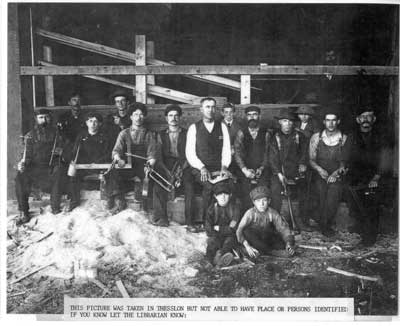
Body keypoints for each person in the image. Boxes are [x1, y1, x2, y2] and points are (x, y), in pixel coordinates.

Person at [186, 97, 232, 232]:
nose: (210, 110)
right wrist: (201, 167)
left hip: (218, 168)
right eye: (207, 107)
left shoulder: (222, 126)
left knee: (225, 185)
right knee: (209, 186)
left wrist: (224, 166)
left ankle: (220, 222)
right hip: (199, 168)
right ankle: (206, 223)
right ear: (201, 109)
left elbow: (227, 149)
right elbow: (190, 153)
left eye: (213, 107)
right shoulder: (194, 128)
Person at [347, 104, 389, 246]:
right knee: (353, 197)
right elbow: (346, 157)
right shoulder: (352, 137)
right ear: (358, 120)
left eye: (369, 116)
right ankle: (361, 227)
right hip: (356, 177)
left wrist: (377, 177)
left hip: (376, 176)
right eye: (363, 117)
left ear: (374, 119)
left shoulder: (381, 137)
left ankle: (370, 236)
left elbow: (385, 160)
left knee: (372, 201)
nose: (366, 119)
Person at [15, 109, 65, 225]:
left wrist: (61, 151)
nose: (44, 120)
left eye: (46, 117)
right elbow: (26, 156)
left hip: (51, 168)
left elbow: (67, 150)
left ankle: (55, 208)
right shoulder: (30, 136)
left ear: (50, 119)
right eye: (41, 117)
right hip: (35, 169)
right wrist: (22, 164)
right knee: (20, 177)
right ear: (36, 119)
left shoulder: (58, 134)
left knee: (59, 172)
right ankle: (23, 211)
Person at [309, 105, 352, 237]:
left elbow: (345, 163)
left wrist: (336, 174)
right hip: (320, 173)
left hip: (337, 174)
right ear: (324, 122)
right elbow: (311, 160)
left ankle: (325, 226)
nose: (331, 123)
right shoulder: (317, 137)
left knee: (333, 194)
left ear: (338, 121)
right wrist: (320, 170)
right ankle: (320, 221)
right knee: (320, 192)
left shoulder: (344, 138)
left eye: (334, 120)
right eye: (328, 120)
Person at [151, 104, 195, 227]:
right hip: (166, 165)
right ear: (166, 118)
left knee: (189, 186)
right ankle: (161, 218)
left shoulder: (188, 133)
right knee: (158, 185)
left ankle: (190, 221)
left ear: (180, 118)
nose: (173, 118)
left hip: (185, 164)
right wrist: (167, 172)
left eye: (176, 116)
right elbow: (158, 156)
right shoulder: (160, 134)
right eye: (170, 115)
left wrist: (182, 169)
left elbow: (191, 153)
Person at [111, 102, 157, 213]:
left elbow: (152, 155)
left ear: (144, 117)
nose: (138, 117)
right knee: (114, 173)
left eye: (141, 115)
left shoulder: (149, 134)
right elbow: (116, 151)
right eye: (136, 114)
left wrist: (149, 165)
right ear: (131, 117)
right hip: (128, 166)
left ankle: (146, 208)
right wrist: (118, 159)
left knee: (149, 179)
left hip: (143, 167)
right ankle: (119, 203)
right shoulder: (123, 133)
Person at [269, 107, 310, 231]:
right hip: (279, 172)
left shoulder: (300, 136)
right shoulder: (274, 137)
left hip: (296, 171)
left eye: (291, 121)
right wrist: (279, 174)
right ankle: (277, 224)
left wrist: (302, 165)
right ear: (280, 122)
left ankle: (300, 221)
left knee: (302, 193)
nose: (288, 124)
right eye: (285, 121)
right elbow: (272, 157)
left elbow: (304, 154)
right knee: (276, 191)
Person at [67, 112, 113, 212]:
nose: (93, 124)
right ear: (86, 123)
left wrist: (97, 163)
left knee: (110, 174)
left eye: (96, 121)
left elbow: (108, 154)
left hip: (100, 166)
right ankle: (74, 201)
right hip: (84, 166)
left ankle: (108, 201)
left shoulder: (104, 137)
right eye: (90, 121)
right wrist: (76, 162)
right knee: (72, 176)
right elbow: (75, 152)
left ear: (100, 124)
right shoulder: (81, 136)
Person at [236, 186, 295, 259]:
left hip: (265, 237)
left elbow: (283, 228)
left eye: (264, 200)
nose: (262, 204)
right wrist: (247, 246)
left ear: (269, 201)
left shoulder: (272, 212)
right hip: (252, 239)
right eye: (258, 201)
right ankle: (271, 252)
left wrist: (288, 243)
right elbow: (239, 230)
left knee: (282, 244)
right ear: (254, 202)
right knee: (247, 232)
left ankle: (261, 251)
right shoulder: (250, 213)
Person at [234, 105, 270, 212]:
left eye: (255, 114)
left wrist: (262, 168)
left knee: (263, 189)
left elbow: (267, 153)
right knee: (244, 190)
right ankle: (247, 218)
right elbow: (237, 153)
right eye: (249, 115)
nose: (252, 117)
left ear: (259, 116)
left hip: (261, 169)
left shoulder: (266, 133)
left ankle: (262, 218)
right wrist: (244, 170)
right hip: (245, 169)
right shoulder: (241, 133)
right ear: (246, 117)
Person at [205, 182, 240, 267]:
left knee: (229, 242)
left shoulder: (235, 208)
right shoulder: (211, 209)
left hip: (230, 236)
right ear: (215, 196)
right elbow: (208, 229)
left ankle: (220, 257)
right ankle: (209, 261)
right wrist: (216, 232)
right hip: (216, 235)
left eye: (226, 194)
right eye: (220, 195)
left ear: (230, 195)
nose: (223, 197)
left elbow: (233, 228)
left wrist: (219, 228)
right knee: (212, 242)